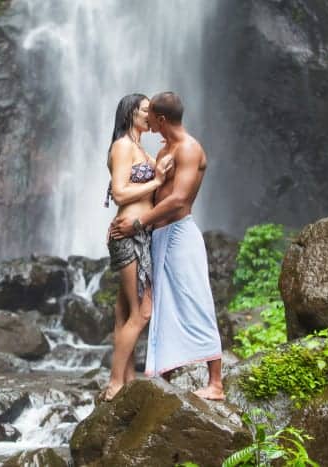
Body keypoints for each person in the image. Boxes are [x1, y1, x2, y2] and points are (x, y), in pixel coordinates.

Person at [110, 91, 225, 401]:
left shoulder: (188, 149)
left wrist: (138, 222)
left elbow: (178, 200)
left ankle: (215, 383)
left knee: (195, 298)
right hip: (157, 236)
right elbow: (135, 185)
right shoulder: (163, 151)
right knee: (162, 306)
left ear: (161, 119)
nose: (147, 120)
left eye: (150, 116)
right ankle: (164, 374)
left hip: (179, 234)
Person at [99, 93, 173, 402]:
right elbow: (118, 193)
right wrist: (156, 181)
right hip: (129, 235)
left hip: (139, 233)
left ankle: (127, 378)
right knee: (142, 312)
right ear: (131, 113)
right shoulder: (123, 146)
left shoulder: (140, 147)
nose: (150, 114)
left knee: (126, 311)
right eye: (145, 110)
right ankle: (116, 383)